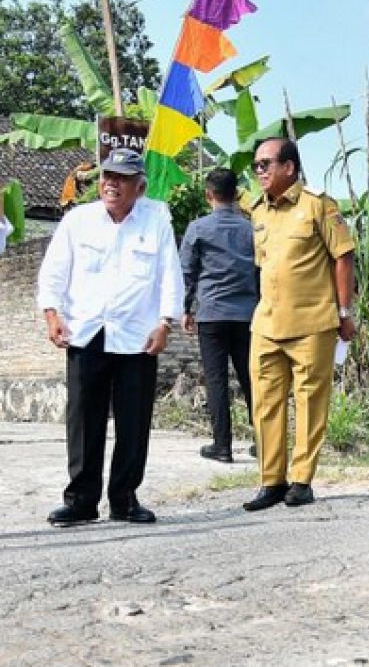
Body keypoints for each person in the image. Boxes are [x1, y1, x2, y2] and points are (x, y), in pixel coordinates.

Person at [37, 147, 184, 527]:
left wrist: (165, 323)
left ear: (140, 186)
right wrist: (52, 314)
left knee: (133, 422)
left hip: (138, 336)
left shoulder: (156, 224)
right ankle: (81, 501)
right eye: (107, 176)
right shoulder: (78, 222)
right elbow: (53, 270)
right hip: (86, 333)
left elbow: (171, 276)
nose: (111, 184)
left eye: (121, 178)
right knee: (84, 420)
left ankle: (124, 498)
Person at [243, 137, 356, 512]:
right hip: (267, 323)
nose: (259, 171)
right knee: (266, 403)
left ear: (289, 167)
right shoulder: (259, 211)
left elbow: (343, 258)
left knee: (309, 403)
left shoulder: (318, 206)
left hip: (313, 322)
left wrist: (344, 313)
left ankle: (302, 480)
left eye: (265, 164)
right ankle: (271, 481)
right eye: (256, 165)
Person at [179, 167, 258, 463]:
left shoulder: (198, 228)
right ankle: (264, 442)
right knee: (252, 379)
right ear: (236, 195)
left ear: (209, 195)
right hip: (248, 315)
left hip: (211, 313)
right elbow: (262, 271)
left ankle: (222, 446)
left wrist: (186, 309)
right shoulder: (251, 229)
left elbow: (187, 272)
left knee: (216, 379)